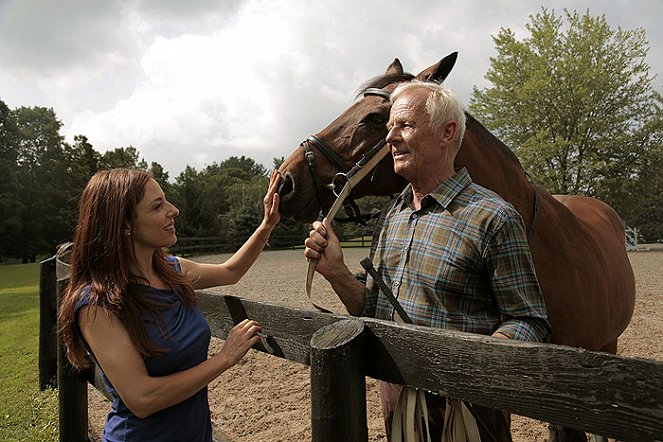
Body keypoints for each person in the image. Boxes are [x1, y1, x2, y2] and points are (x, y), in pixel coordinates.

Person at [304, 81, 551, 441]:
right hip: (398, 404)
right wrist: (335, 272)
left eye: (404, 126)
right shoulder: (392, 217)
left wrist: (467, 364)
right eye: (389, 128)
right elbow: (374, 309)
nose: (390, 138)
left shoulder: (494, 217)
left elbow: (530, 320)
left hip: (468, 413)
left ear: (446, 133)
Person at [59, 167, 281, 442]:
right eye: (157, 206)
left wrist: (267, 224)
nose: (173, 210)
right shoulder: (96, 305)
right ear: (124, 224)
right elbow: (142, 398)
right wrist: (224, 359)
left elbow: (231, 272)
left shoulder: (173, 270)